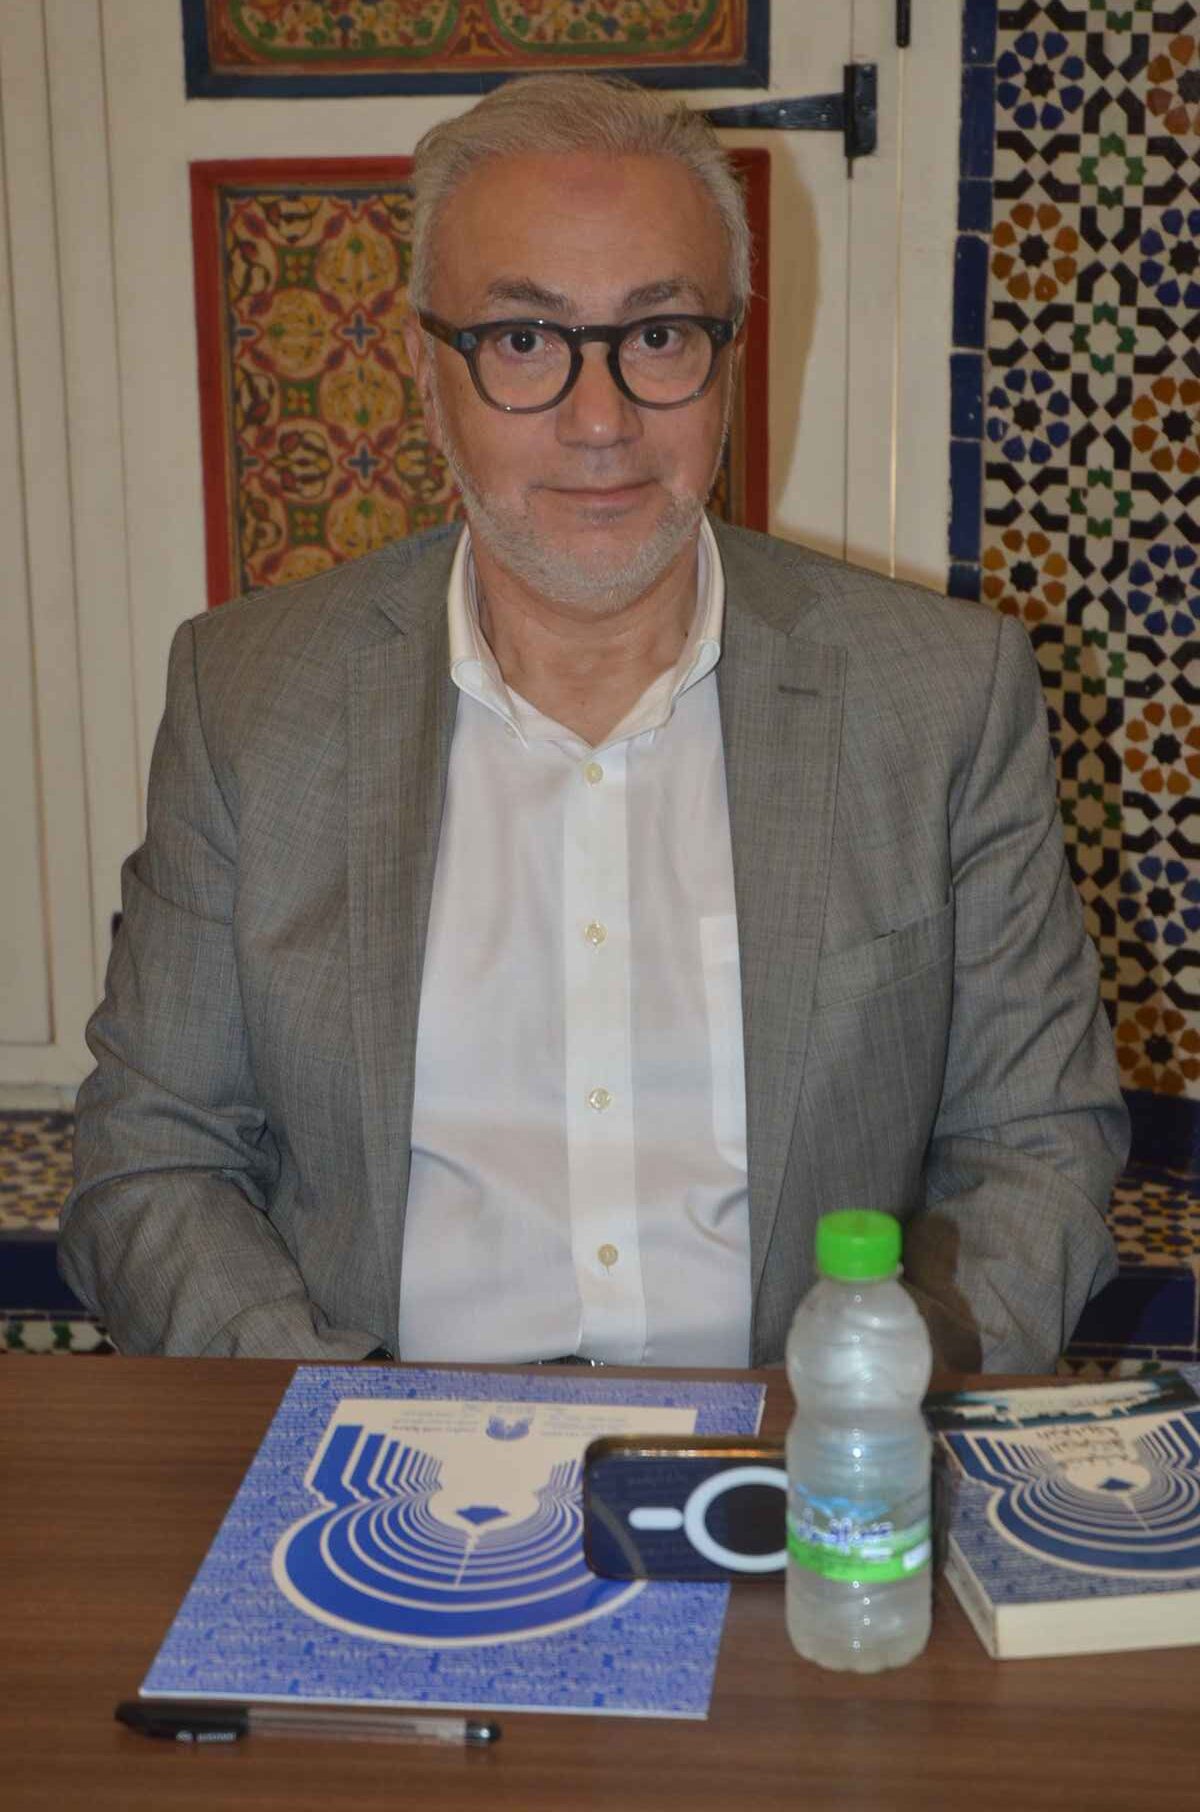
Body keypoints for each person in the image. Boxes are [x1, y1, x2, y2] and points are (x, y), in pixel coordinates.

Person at [60, 74, 1128, 1371]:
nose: (602, 419)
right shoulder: (247, 697)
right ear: (425, 370)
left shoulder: (944, 695)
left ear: (729, 356)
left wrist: (859, 1426)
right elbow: (156, 1155)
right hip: (370, 1441)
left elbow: (1036, 1145)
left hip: (795, 1451)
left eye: (659, 334)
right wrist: (329, 1428)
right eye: (523, 340)